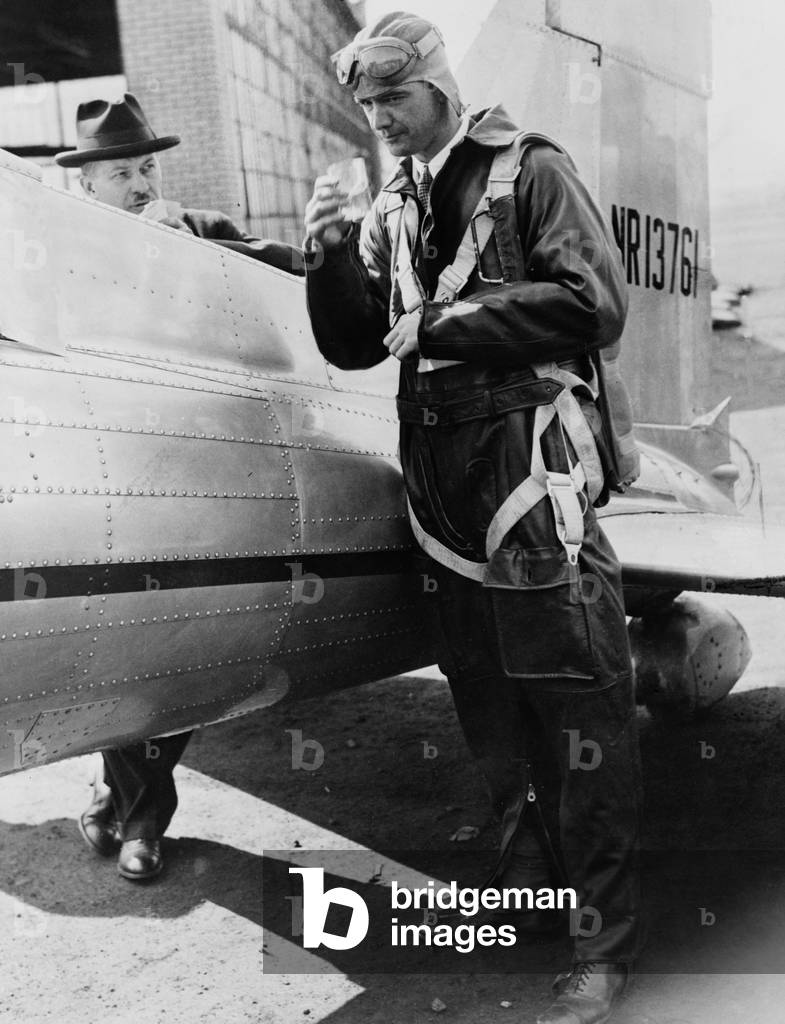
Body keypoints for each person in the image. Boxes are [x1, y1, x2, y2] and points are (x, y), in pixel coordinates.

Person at [303, 13, 642, 1024]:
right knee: (487, 704)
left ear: (440, 88)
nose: (380, 119)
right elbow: (355, 344)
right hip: (440, 491)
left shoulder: (529, 170)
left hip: (529, 482)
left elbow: (594, 304)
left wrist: (446, 321)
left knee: (577, 712)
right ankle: (532, 884)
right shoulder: (392, 204)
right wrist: (328, 250)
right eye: (368, 105)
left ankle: (602, 948)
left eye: (393, 98)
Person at [55, 93, 303, 882]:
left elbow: (291, 279)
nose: (138, 185)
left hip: (206, 473)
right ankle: (138, 816)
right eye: (119, 173)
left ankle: (123, 804)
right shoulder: (64, 255)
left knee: (182, 646)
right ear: (86, 185)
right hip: (115, 477)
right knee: (129, 647)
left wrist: (192, 259)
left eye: (146, 169)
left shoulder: (200, 230)